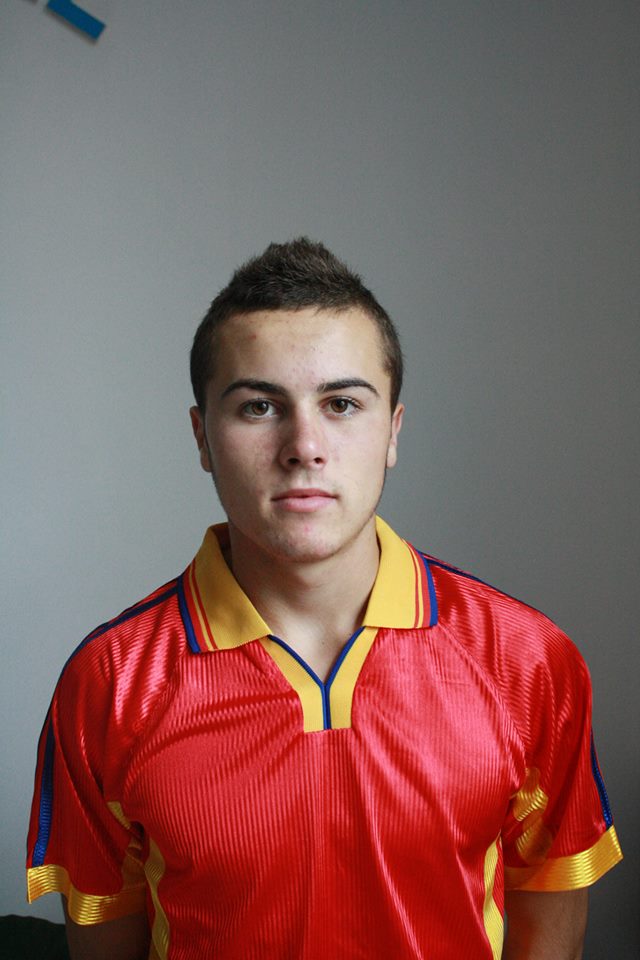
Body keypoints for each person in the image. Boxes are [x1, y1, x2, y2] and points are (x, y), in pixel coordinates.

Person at [27, 238, 622, 959]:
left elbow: (548, 921)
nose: (304, 446)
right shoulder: (111, 681)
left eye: (342, 404)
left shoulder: (527, 660)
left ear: (392, 431)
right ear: (203, 438)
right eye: (258, 407)